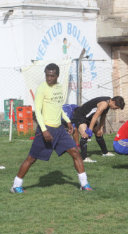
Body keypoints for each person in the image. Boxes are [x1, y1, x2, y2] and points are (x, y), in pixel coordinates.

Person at [10, 63, 93, 193]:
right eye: (47, 75)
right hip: (46, 129)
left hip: (60, 129)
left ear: (57, 76)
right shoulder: (42, 88)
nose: (49, 78)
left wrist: (68, 121)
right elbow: (37, 110)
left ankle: (85, 185)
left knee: (76, 153)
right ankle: (16, 186)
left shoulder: (60, 87)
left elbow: (58, 107)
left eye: (52, 76)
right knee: (31, 159)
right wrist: (44, 130)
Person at [71, 96, 125, 163]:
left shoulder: (108, 102)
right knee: (85, 134)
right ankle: (83, 157)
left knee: (99, 132)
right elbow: (95, 117)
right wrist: (89, 130)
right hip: (80, 116)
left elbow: (103, 116)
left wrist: (101, 127)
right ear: (113, 102)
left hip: (88, 117)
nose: (115, 109)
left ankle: (105, 153)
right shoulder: (104, 104)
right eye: (116, 108)